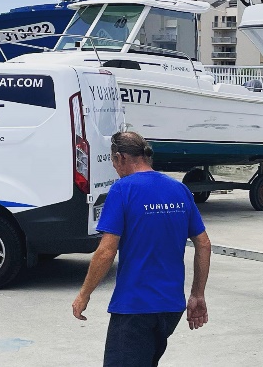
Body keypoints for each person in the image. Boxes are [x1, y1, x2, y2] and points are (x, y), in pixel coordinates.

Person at [73, 131, 212, 367]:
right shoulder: (179, 190)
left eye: (113, 162)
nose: (115, 168)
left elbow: (106, 251)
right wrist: (197, 294)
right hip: (170, 308)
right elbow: (204, 243)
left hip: (135, 307)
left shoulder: (122, 190)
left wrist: (84, 294)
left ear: (121, 158)